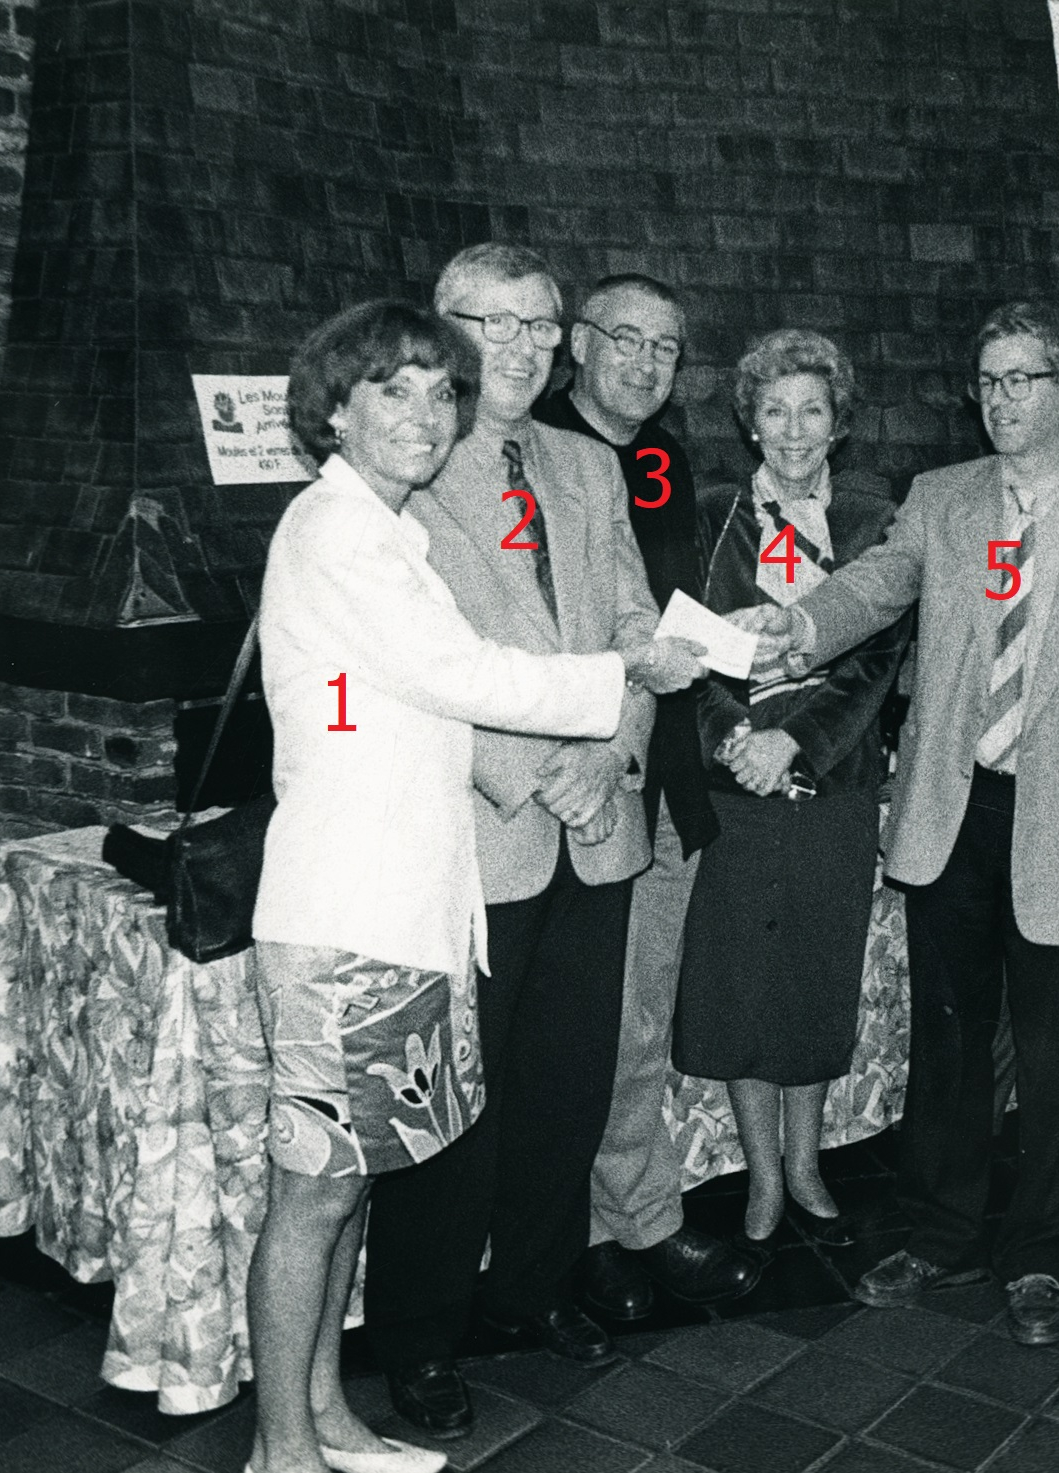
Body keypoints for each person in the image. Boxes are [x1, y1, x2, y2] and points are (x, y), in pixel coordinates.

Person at [247, 299, 701, 1473]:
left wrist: (610, 731)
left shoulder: (382, 529)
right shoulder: (340, 532)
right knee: (316, 1193)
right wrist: (627, 671)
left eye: (434, 392)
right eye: (390, 391)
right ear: (334, 412)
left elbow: (397, 702)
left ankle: (327, 1421)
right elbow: (465, 675)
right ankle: (282, 1448)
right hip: (347, 917)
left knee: (350, 1186)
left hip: (405, 911)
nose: (423, 413)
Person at [739, 301, 1059, 1346]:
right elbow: (876, 586)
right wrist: (799, 622)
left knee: (1058, 1053)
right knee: (947, 1043)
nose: (1000, 400)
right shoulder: (941, 499)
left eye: (1021, 379)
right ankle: (939, 1233)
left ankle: (1040, 1253)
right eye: (987, 382)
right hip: (951, 811)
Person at [359, 244, 664, 1436]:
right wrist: (543, 775)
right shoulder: (404, 475)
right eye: (499, 324)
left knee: (565, 1087)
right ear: (444, 330)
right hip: (479, 837)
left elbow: (638, 629)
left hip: (598, 829)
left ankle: (535, 1288)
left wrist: (610, 758)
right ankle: (422, 1339)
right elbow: (412, 669)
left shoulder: (589, 467)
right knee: (452, 1106)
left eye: (543, 326)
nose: (526, 348)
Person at [531, 274, 763, 1320]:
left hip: (664, 776)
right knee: (583, 1023)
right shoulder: (531, 449)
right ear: (578, 343)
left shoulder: (663, 459)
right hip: (575, 781)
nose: (644, 363)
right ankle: (589, 1235)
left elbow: (664, 615)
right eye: (624, 339)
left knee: (638, 1019)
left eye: (665, 348)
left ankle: (636, 1218)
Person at [673, 329, 909, 1251]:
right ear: (750, 422)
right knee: (738, 984)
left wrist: (796, 744)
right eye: (775, 410)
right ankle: (762, 1176)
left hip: (832, 786)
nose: (794, 428)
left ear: (838, 422)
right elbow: (687, 648)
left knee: (814, 975)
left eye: (812, 409)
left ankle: (806, 1163)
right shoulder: (710, 514)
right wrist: (737, 739)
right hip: (732, 789)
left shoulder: (875, 522)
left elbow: (879, 657)